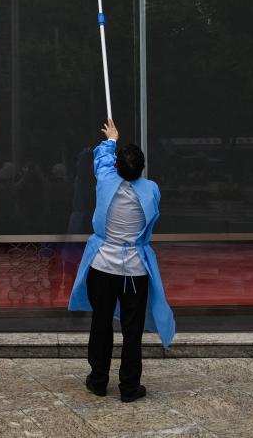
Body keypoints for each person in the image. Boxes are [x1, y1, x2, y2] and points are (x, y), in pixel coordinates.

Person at [68, 119, 175, 403]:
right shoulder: (151, 190)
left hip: (102, 266)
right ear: (141, 169)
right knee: (132, 329)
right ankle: (129, 386)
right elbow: (115, 168)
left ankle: (99, 380)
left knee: (100, 324)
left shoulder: (105, 182)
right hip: (135, 271)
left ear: (117, 167)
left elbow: (101, 160)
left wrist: (111, 139)